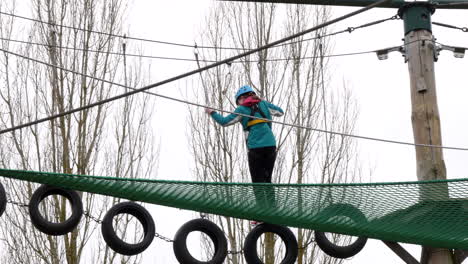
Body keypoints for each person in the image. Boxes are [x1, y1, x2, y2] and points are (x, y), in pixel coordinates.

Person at [205, 85, 284, 224]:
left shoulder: (242, 109)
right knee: (267, 179)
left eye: (238, 100)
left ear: (242, 98)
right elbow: (280, 112)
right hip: (271, 145)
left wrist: (212, 113)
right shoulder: (264, 104)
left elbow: (225, 122)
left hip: (255, 147)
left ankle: (261, 214)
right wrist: (264, 106)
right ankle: (273, 210)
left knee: (257, 182)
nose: (239, 103)